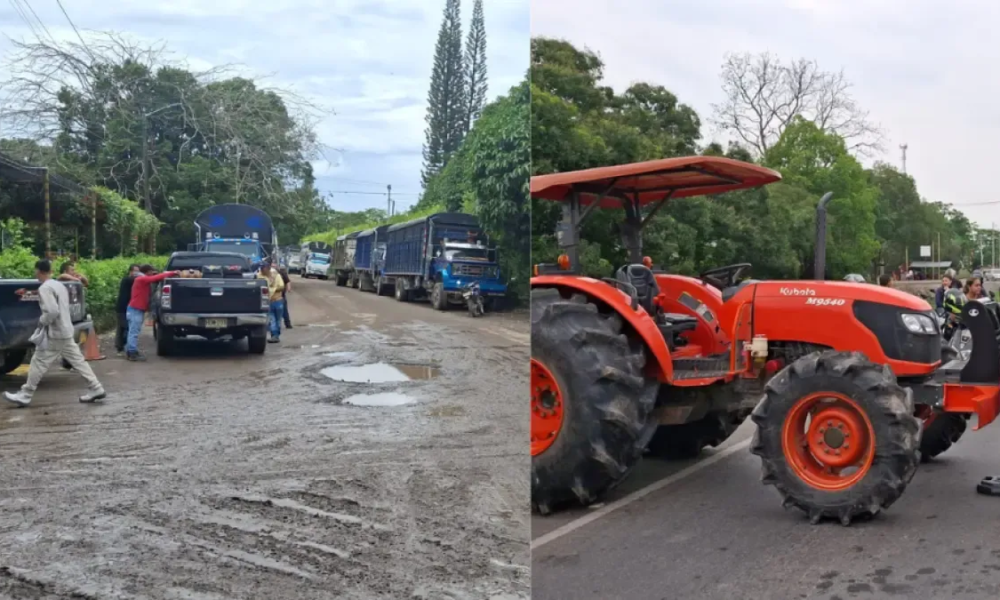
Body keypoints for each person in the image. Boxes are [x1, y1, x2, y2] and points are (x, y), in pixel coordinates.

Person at [3, 260, 105, 407]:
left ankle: (26, 394)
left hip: (55, 332)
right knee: (77, 361)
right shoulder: (59, 285)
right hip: (66, 329)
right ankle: (96, 387)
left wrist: (42, 321)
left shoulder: (45, 288)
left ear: (39, 271)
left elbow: (52, 311)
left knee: (38, 361)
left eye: (35, 271)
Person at [125, 264, 179, 361]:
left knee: (133, 331)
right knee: (134, 332)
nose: (152, 273)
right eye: (151, 271)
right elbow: (155, 278)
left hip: (135, 308)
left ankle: (131, 350)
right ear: (148, 271)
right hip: (135, 309)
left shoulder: (140, 278)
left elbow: (154, 277)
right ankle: (132, 352)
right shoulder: (141, 279)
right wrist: (173, 273)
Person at [115, 264, 140, 355]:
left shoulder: (132, 280)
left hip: (127, 308)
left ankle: (120, 347)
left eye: (138, 271)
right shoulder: (127, 280)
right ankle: (125, 347)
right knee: (126, 328)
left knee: (122, 328)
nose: (137, 273)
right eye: (135, 271)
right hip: (122, 307)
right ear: (130, 271)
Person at [258, 261, 285, 343]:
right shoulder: (259, 276)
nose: (262, 269)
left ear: (268, 268)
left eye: (263, 268)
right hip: (268, 301)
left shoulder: (276, 275)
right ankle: (274, 335)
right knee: (272, 319)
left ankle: (277, 335)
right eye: (261, 268)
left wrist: (273, 288)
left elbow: (281, 286)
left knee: (278, 320)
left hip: (278, 301)